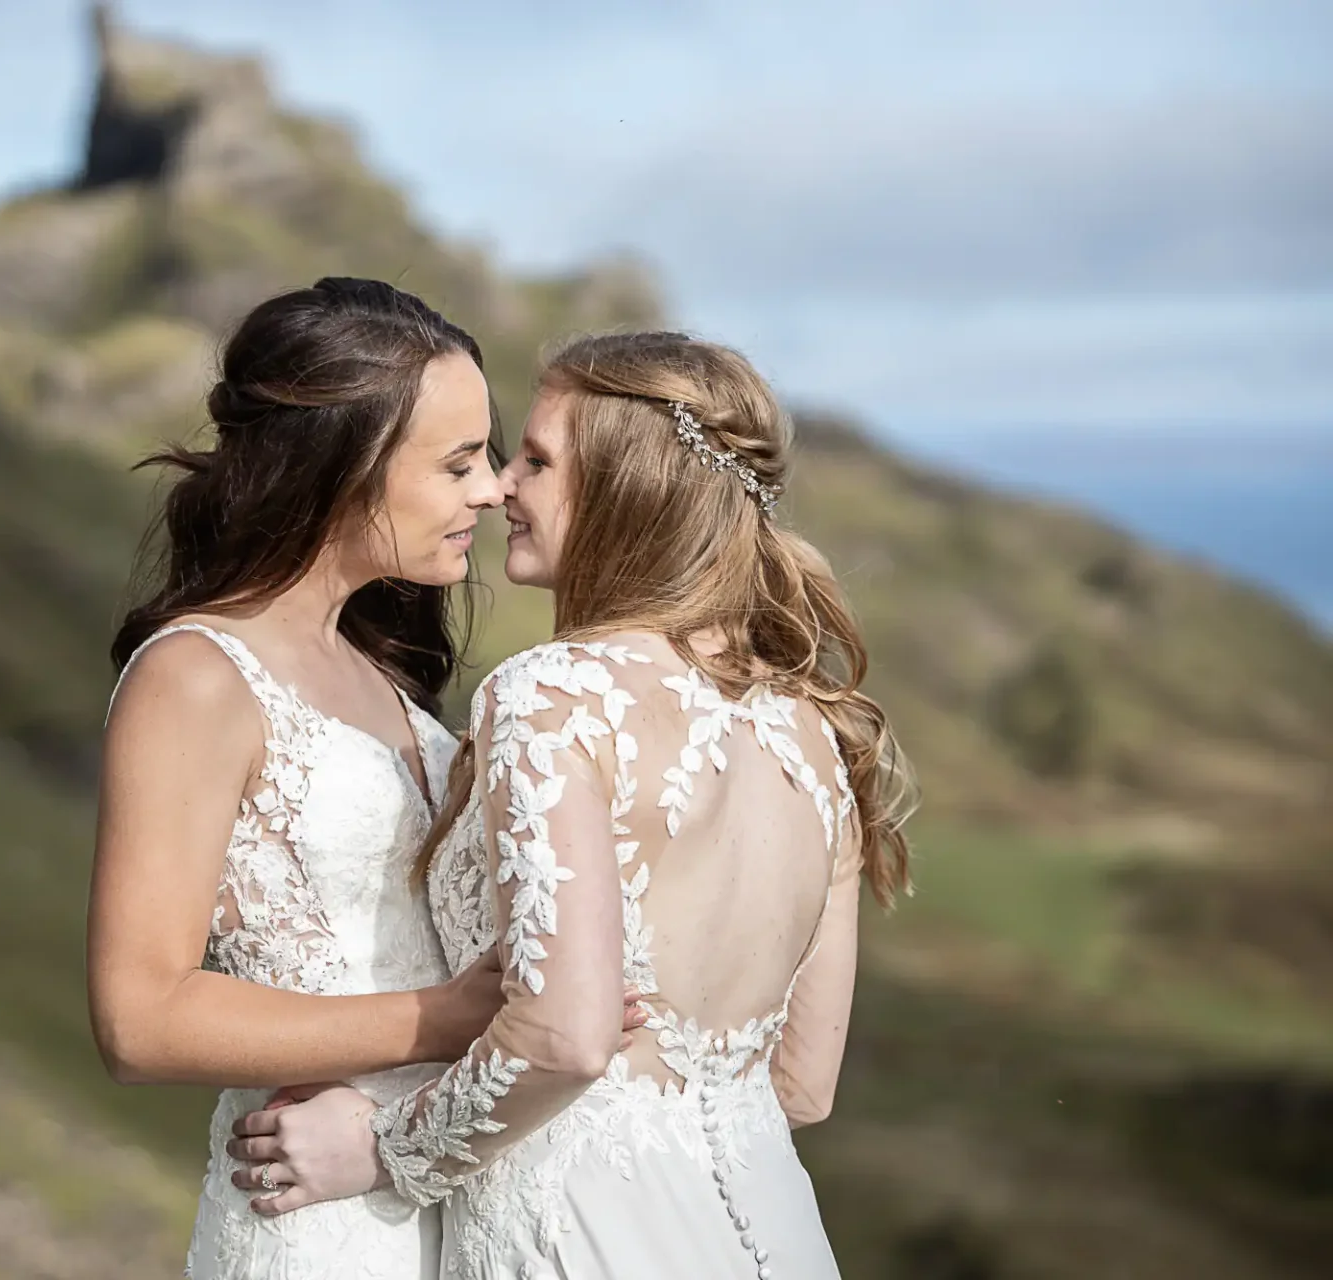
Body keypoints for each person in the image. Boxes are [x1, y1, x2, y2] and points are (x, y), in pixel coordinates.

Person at [225, 331, 916, 1279]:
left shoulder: (553, 697)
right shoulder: (812, 732)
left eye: (538, 461)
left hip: (580, 1234)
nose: (503, 486)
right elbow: (800, 1085)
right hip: (771, 1232)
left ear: (627, 489)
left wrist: (385, 1148)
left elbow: (563, 1036)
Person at [90, 276, 515, 1279]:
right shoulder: (194, 676)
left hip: (432, 1195)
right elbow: (139, 1015)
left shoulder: (381, 673)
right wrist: (443, 1015)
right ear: (347, 469)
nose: (493, 487)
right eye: (459, 461)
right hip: (313, 1232)